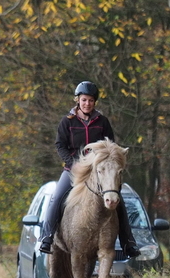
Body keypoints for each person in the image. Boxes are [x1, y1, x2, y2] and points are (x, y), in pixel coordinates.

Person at [38, 81, 140, 257]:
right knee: (57, 197)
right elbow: (60, 145)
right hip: (73, 170)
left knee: (119, 201)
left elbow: (110, 145)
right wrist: (72, 163)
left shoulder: (102, 122)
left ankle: (128, 242)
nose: (87, 103)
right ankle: (47, 237)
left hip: (98, 172)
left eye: (91, 100)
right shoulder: (67, 122)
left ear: (94, 102)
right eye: (84, 100)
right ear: (78, 100)